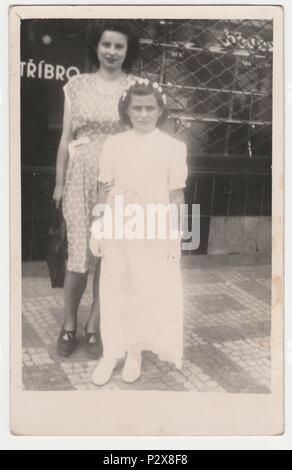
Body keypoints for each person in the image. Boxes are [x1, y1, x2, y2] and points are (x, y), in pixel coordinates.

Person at [90, 78, 188, 385]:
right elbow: (103, 190)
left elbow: (176, 196)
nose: (143, 114)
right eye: (137, 108)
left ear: (160, 110)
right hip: (119, 227)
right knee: (113, 289)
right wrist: (98, 228)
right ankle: (111, 354)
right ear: (127, 110)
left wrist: (178, 236)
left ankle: (134, 353)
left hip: (153, 229)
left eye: (150, 108)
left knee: (143, 291)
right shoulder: (114, 144)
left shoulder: (173, 148)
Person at [52, 20, 140, 358]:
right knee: (78, 257)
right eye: (107, 45)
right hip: (80, 177)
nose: (112, 52)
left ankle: (95, 325)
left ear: (127, 51)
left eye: (119, 46)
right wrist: (59, 182)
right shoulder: (76, 85)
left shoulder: (136, 87)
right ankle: (69, 323)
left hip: (120, 178)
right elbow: (65, 139)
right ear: (97, 47)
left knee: (110, 255)